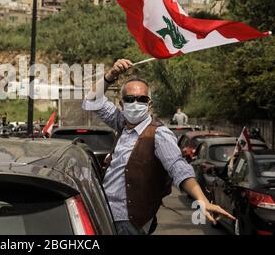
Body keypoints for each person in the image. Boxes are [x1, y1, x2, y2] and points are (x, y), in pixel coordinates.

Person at [82, 58, 234, 235]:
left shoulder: (158, 134)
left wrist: (202, 199)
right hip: (106, 214)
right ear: (122, 104)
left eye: (142, 99)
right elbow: (91, 101)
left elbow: (178, 167)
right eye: (130, 99)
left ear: (149, 104)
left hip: (128, 221)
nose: (135, 104)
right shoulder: (122, 122)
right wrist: (111, 75)